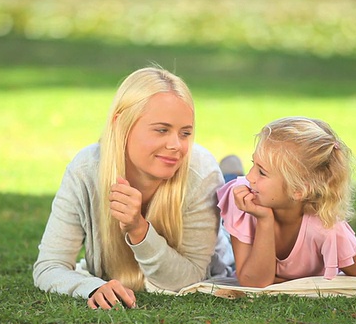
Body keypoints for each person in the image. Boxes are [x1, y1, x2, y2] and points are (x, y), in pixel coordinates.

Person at [33, 66, 233, 310]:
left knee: (235, 204)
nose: (176, 146)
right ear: (121, 123)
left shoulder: (201, 173)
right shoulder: (85, 170)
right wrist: (92, 287)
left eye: (185, 133)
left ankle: (233, 176)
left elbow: (189, 279)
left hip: (224, 235)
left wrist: (139, 230)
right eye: (162, 130)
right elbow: (49, 265)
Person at [217, 116, 356, 289]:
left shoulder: (327, 229)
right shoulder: (242, 197)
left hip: (263, 194)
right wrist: (265, 220)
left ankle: (231, 170)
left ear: (299, 190)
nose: (250, 176)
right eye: (253, 164)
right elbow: (252, 282)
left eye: (262, 172)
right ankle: (230, 173)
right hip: (244, 198)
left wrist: (265, 220)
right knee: (223, 187)